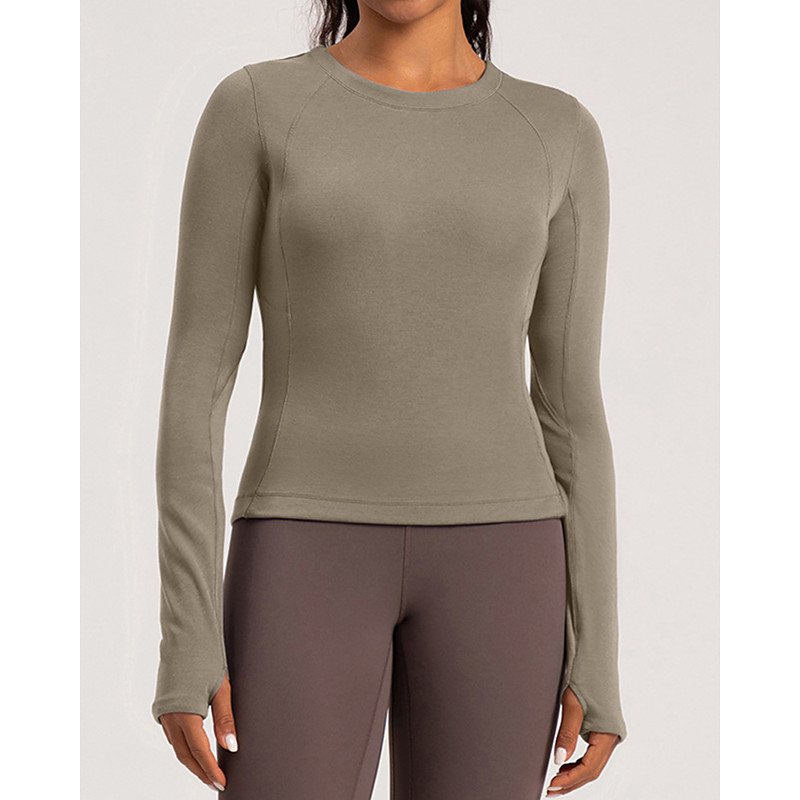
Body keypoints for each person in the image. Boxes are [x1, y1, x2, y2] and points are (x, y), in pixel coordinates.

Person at [151, 1, 627, 797]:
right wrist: (186, 635)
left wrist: (599, 654)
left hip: (505, 564)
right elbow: (195, 386)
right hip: (302, 554)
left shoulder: (557, 132)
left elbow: (571, 408)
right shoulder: (258, 109)